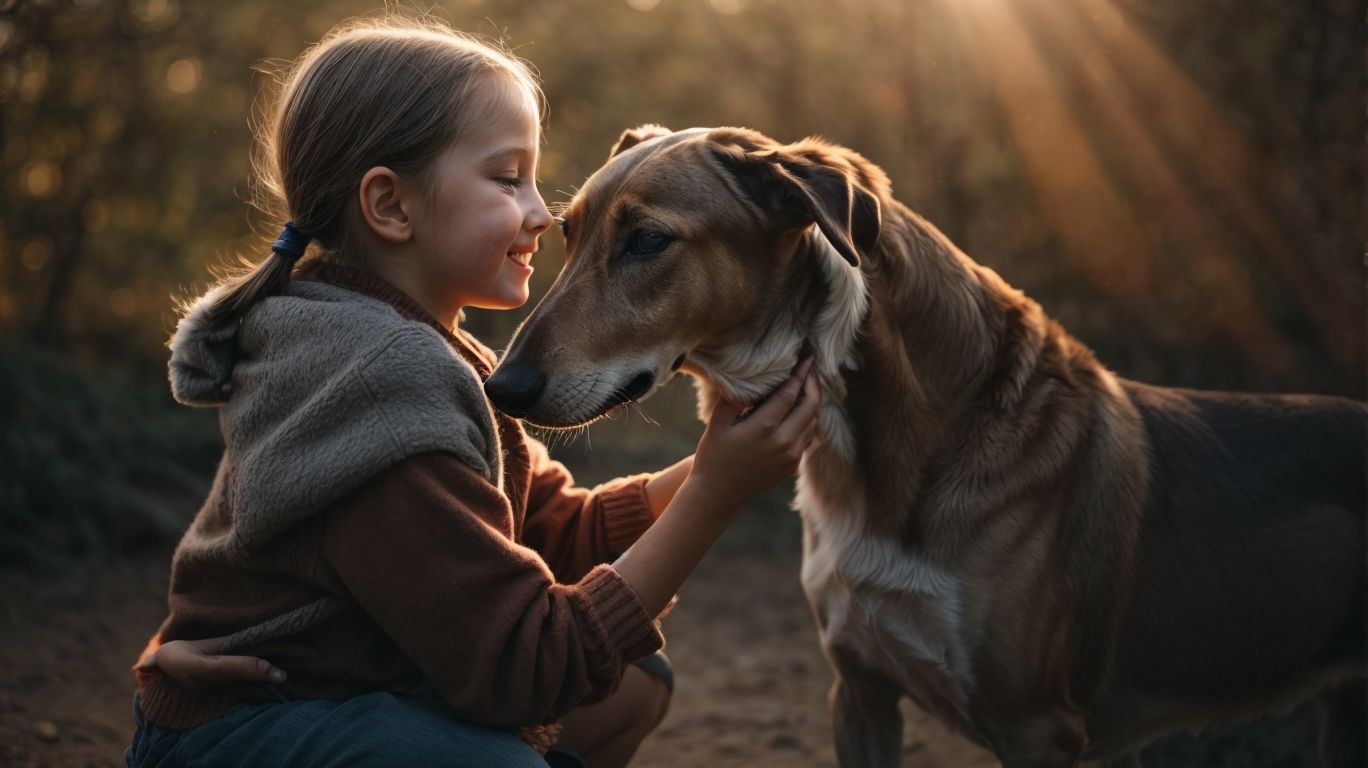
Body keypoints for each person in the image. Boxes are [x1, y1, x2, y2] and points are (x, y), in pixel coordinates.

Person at [123, 14, 820, 768]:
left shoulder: (404, 341)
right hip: (249, 729)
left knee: (632, 680)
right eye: (506, 178)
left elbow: (543, 526)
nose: (541, 213)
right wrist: (713, 498)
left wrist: (716, 464)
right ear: (391, 206)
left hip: (336, 695)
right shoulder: (376, 378)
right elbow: (520, 671)